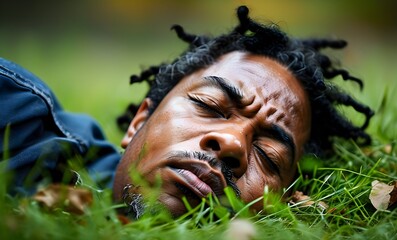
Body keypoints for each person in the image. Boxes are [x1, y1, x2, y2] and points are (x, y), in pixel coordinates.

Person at [0, 6, 373, 218]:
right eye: (210, 106)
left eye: (269, 158)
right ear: (138, 123)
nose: (231, 143)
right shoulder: (16, 113)